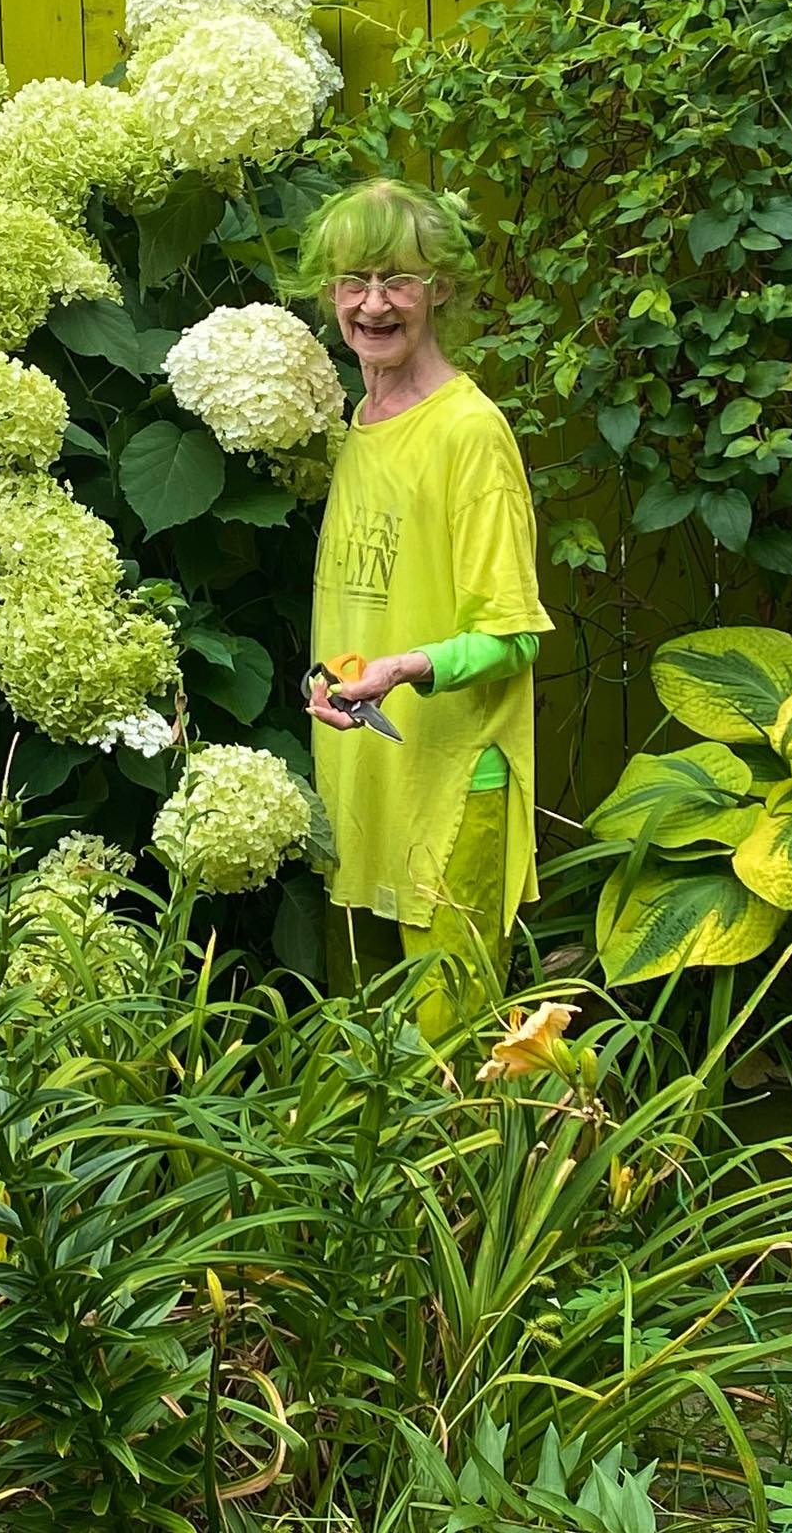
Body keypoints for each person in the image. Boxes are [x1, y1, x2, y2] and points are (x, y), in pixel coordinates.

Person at [295, 178, 553, 1034]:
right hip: (361, 780)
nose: (373, 304)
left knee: (453, 1053)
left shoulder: (468, 433)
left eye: (397, 280)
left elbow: (512, 637)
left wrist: (405, 668)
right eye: (354, 280)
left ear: (439, 287)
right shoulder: (357, 422)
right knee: (366, 1057)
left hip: (451, 786)